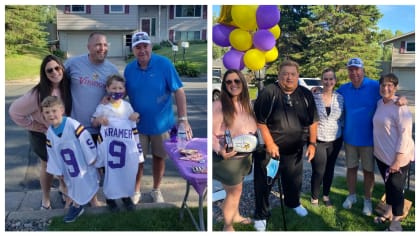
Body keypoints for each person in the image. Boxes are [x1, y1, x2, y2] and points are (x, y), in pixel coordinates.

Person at [124, 31, 192, 203]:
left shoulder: (164, 64)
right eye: (137, 47)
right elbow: (122, 92)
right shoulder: (129, 69)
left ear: (150, 46)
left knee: (159, 158)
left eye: (145, 46)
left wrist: (183, 120)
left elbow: (178, 90)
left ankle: (156, 189)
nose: (142, 51)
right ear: (133, 50)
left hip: (162, 125)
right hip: (137, 126)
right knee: (137, 161)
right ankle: (136, 190)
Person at [253, 60, 319, 231]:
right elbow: (260, 122)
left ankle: (293, 203)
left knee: (294, 181)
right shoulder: (269, 92)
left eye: (293, 74)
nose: (289, 77)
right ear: (279, 75)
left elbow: (313, 121)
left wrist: (312, 144)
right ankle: (261, 215)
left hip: (295, 151)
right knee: (264, 184)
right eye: (285, 74)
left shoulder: (305, 94)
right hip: (270, 152)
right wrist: (269, 143)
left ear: (298, 76)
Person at [9, 54, 72, 210]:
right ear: (45, 74)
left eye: (57, 68)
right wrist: (34, 125)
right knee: (48, 166)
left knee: (63, 163)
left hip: (61, 133)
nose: (55, 72)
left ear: (62, 68)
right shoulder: (37, 94)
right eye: (49, 70)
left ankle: (63, 189)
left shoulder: (66, 87)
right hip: (42, 136)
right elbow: (14, 111)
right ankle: (45, 199)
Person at [65, 31, 119, 207]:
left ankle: (107, 196)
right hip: (78, 129)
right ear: (88, 47)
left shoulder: (111, 69)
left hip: (101, 129)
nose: (102, 48)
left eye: (104, 45)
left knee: (103, 165)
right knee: (81, 167)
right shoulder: (73, 64)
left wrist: (111, 99)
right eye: (97, 44)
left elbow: (118, 95)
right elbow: (55, 81)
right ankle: (82, 198)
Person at [41, 96, 99, 223]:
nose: (51, 115)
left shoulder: (72, 124)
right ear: (43, 115)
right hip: (68, 167)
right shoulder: (50, 133)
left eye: (54, 110)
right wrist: (57, 170)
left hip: (82, 163)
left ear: (61, 110)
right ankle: (76, 204)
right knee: (72, 185)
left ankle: (86, 204)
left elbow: (85, 139)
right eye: (47, 112)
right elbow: (52, 153)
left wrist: (92, 157)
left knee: (88, 181)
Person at [91, 74, 144, 212]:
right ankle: (110, 198)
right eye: (113, 88)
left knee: (127, 171)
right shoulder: (103, 107)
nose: (117, 90)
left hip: (125, 149)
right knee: (110, 173)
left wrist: (136, 116)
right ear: (107, 88)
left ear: (124, 90)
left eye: (120, 88)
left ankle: (126, 196)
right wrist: (99, 120)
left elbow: (134, 120)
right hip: (109, 150)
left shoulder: (127, 106)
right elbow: (93, 121)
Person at [212, 69, 257, 231]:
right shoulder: (219, 106)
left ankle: (235, 215)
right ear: (224, 85)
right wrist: (219, 149)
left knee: (234, 190)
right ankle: (228, 226)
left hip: (244, 157)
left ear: (243, 83)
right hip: (228, 158)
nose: (233, 84)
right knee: (234, 192)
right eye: (229, 82)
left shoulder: (247, 104)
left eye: (237, 81)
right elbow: (211, 133)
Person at [337, 58, 381, 216]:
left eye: (357, 69)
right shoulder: (343, 89)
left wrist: (400, 99)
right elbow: (329, 96)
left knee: (368, 171)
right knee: (351, 168)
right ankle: (352, 196)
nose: (354, 72)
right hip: (350, 138)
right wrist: (317, 91)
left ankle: (367, 201)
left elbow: (390, 93)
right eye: (351, 70)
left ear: (363, 70)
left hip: (369, 140)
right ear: (348, 72)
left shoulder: (375, 86)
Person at [372, 73, 414, 231]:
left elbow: (405, 134)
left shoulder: (400, 106)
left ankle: (396, 224)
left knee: (396, 190)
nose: (386, 88)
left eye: (390, 85)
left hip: (398, 159)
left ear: (395, 87)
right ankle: (388, 212)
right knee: (389, 186)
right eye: (383, 85)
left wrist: (397, 160)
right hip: (382, 156)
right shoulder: (379, 103)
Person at [310, 68, 344, 207]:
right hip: (318, 140)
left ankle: (325, 196)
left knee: (330, 169)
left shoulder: (340, 98)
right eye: (326, 79)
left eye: (331, 79)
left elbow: (343, 117)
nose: (328, 81)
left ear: (335, 81)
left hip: (335, 140)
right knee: (319, 170)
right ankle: (314, 198)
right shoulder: (314, 96)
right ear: (321, 80)